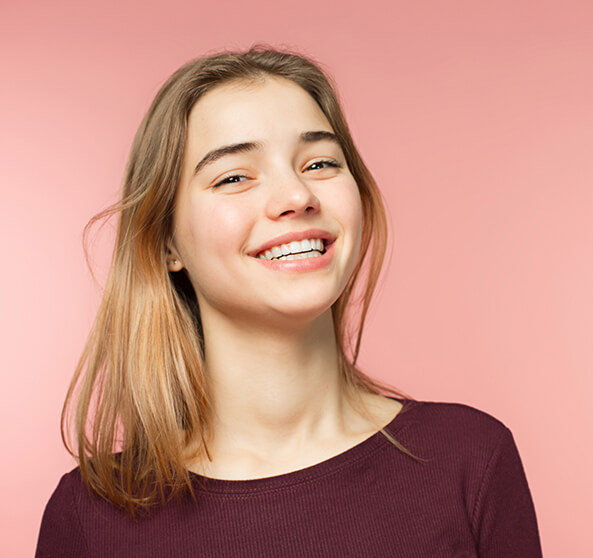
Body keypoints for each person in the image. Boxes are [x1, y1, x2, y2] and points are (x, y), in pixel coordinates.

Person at [36, 45, 543, 557]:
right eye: (234, 176)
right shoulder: (87, 518)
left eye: (320, 162)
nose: (297, 196)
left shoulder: (471, 458)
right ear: (167, 243)